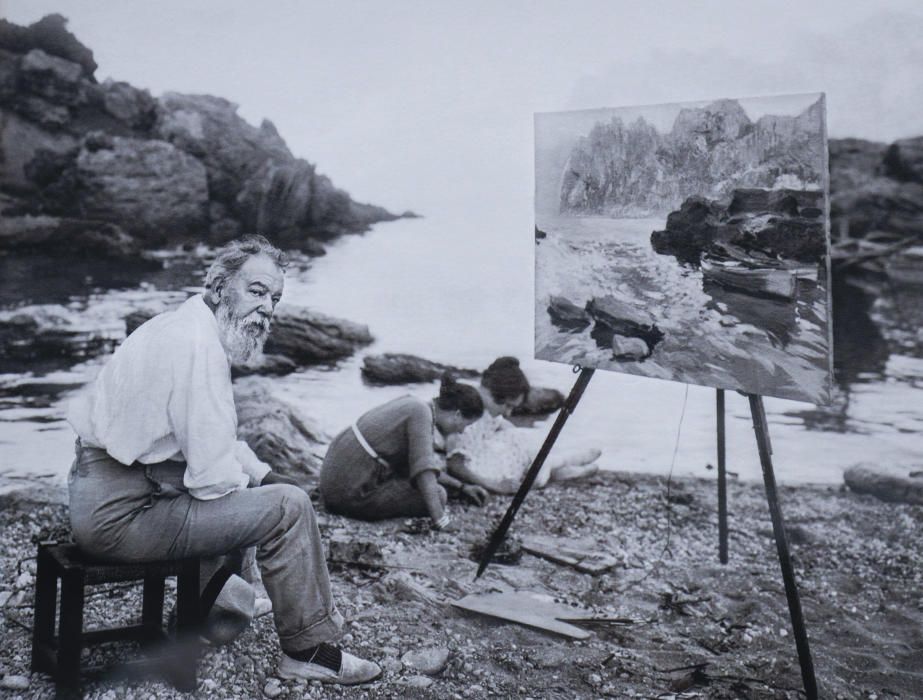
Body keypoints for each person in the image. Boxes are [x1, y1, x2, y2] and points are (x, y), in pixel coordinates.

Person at [66, 235, 380, 686]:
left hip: (103, 494)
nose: (268, 308)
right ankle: (309, 649)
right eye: (256, 291)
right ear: (218, 288)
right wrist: (274, 495)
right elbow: (213, 481)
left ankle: (215, 604)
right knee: (289, 508)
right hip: (121, 515)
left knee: (257, 488)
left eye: (274, 298)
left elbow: (207, 441)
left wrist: (262, 474)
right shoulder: (199, 348)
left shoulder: (178, 326)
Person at [320, 375, 489, 528]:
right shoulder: (422, 414)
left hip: (334, 485)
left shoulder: (412, 403)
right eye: (465, 425)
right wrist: (441, 520)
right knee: (438, 494)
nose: (460, 432)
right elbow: (424, 471)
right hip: (348, 495)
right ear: (457, 415)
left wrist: (462, 487)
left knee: (428, 486)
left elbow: (411, 467)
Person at [446, 356, 601, 494]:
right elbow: (455, 463)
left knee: (521, 438)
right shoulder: (467, 413)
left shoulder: (486, 412)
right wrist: (494, 485)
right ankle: (565, 462)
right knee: (522, 442)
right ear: (490, 393)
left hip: (494, 465)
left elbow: (501, 426)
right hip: (486, 473)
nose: (508, 412)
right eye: (507, 406)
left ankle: (561, 469)